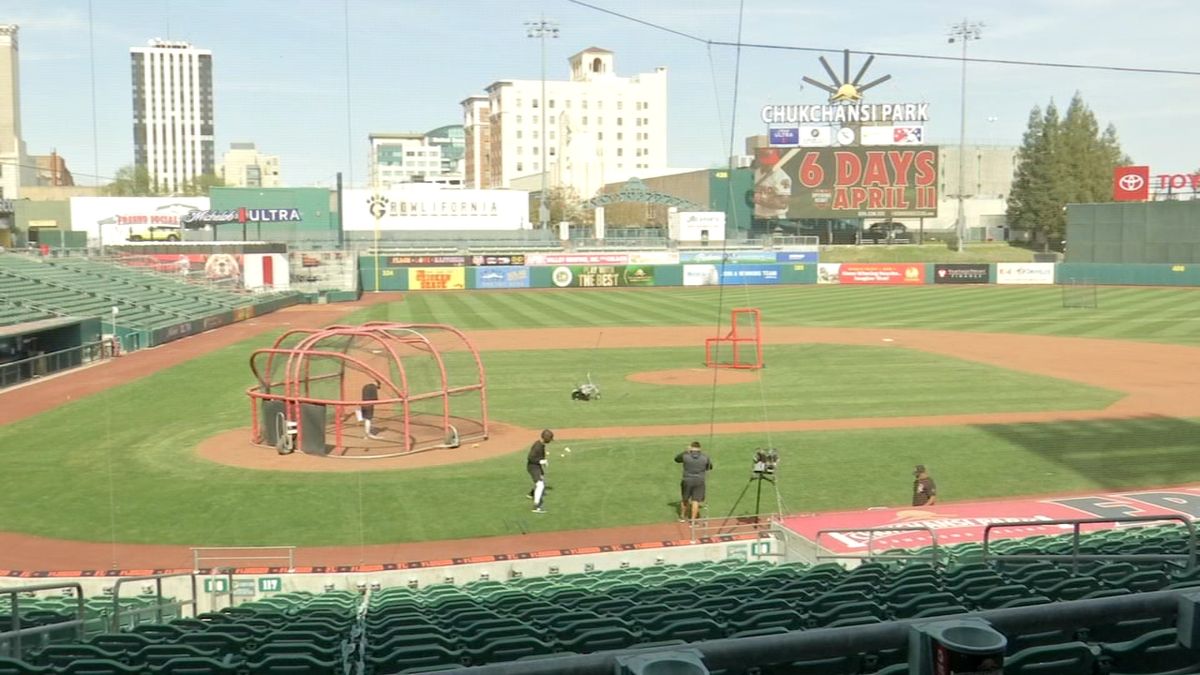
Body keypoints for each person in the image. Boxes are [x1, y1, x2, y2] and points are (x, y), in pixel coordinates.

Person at [675, 441, 712, 522]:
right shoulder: (705, 457)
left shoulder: (685, 456)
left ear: (691, 447)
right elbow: (709, 467)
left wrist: (685, 451)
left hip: (687, 480)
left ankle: (682, 517)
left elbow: (677, 459)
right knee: (695, 501)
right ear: (700, 448)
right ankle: (693, 520)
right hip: (699, 481)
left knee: (685, 499)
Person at [526, 429, 554, 513]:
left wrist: (543, 461)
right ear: (546, 438)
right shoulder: (538, 446)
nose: (550, 441)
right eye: (550, 439)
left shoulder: (541, 444)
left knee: (541, 480)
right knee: (540, 485)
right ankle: (536, 506)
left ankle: (531, 494)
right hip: (533, 467)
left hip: (536, 466)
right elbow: (530, 458)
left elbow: (540, 456)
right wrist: (540, 461)